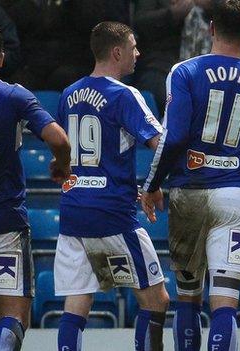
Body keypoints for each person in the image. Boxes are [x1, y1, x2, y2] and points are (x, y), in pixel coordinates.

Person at [142, 1, 240, 350]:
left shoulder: (184, 71)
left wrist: (152, 185)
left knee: (188, 297)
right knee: (225, 302)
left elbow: (174, 138)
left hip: (189, 191)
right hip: (235, 194)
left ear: (211, 28)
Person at [0, 24, 71, 351]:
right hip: (2, 220)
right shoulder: (14, 95)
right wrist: (62, 164)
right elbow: (59, 139)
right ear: (1, 59)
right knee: (15, 317)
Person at [54, 21, 169, 351]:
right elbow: (160, 144)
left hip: (74, 211)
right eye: (133, 47)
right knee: (156, 300)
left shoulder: (68, 94)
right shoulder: (125, 95)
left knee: (76, 306)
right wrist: (152, 186)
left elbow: (72, 153)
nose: (138, 53)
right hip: (113, 215)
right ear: (117, 52)